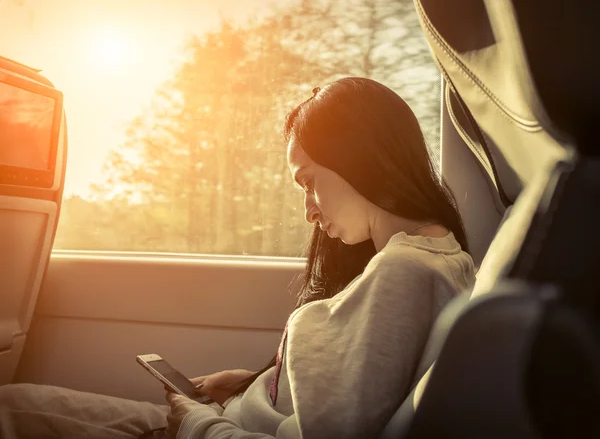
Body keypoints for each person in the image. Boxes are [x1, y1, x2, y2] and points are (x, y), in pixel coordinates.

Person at [0, 77, 475, 439]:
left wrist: (197, 425)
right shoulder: (438, 259)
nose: (309, 209)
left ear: (359, 157)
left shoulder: (403, 273)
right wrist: (253, 381)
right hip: (228, 417)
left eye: (309, 181)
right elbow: (352, 386)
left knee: (11, 406)